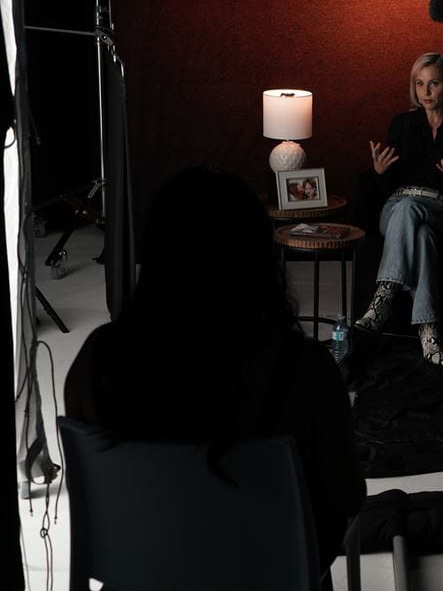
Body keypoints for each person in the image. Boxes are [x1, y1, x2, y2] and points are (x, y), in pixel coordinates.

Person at [64, 166, 366, 586]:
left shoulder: (96, 360)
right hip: (270, 573)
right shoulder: (305, 369)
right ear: (258, 261)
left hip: (145, 574)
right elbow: (348, 496)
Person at [354, 52, 443, 366]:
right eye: (420, 83)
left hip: (440, 208)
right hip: (397, 205)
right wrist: (379, 174)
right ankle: (429, 332)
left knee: (417, 216)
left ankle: (382, 299)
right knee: (420, 235)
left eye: (433, 83)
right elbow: (387, 183)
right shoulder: (401, 123)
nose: (426, 91)